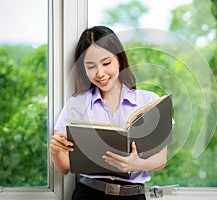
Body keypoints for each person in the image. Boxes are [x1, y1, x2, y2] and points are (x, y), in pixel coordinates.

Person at [49, 25, 168, 200]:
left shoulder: (148, 101)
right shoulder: (77, 104)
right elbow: (65, 167)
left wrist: (137, 163)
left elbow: (161, 160)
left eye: (106, 63)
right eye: (91, 66)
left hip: (133, 195)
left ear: (119, 59)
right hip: (88, 195)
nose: (100, 73)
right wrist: (55, 151)